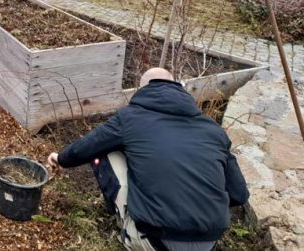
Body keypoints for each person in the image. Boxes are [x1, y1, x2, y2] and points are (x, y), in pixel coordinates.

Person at [47, 67, 249, 251]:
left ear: (142, 90)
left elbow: (88, 146)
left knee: (106, 150)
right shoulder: (213, 130)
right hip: (208, 242)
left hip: (155, 240)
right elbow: (239, 194)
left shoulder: (130, 118)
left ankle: (127, 228)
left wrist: (61, 159)